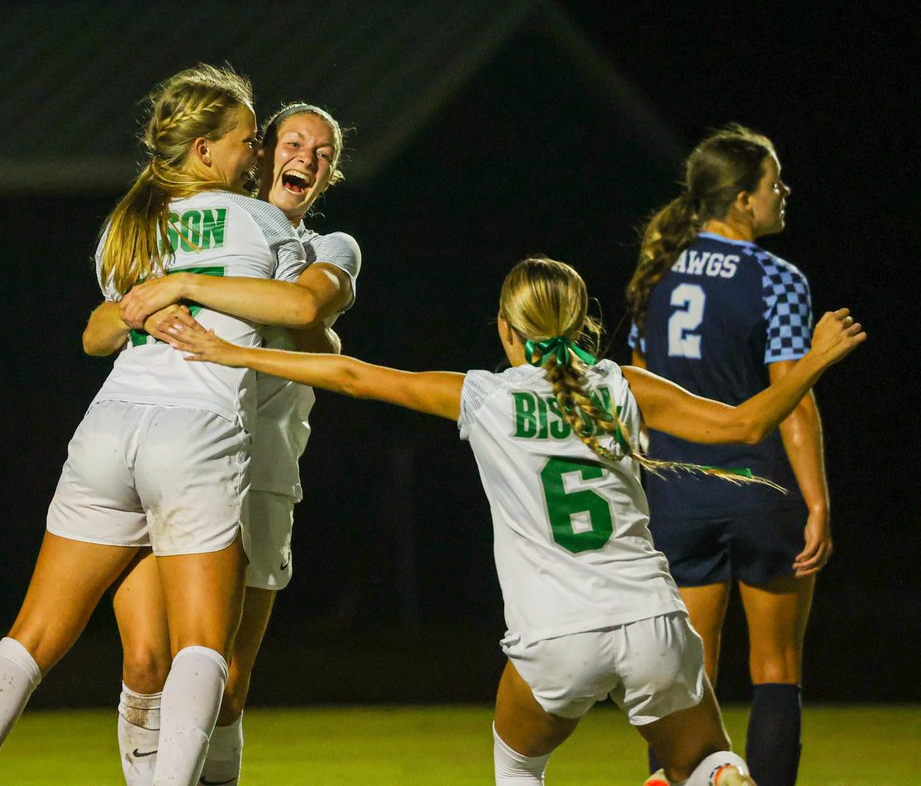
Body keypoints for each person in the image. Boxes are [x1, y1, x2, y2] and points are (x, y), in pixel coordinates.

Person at [157, 256, 864, 785]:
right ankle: (723, 776)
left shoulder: (486, 397)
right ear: (580, 321)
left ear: (505, 327)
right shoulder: (623, 385)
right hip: (653, 620)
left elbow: (354, 376)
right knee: (704, 760)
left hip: (556, 635)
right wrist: (816, 359)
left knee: (518, 766)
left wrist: (230, 350)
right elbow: (745, 425)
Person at [0, 64, 326, 786]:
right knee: (201, 647)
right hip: (196, 430)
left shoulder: (129, 222)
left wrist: (157, 294)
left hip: (109, 428)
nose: (258, 153)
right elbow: (303, 313)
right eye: (248, 140)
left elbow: (96, 334)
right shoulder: (262, 220)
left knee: (33, 635)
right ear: (205, 150)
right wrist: (196, 288)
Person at [95, 103, 359, 786]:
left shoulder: (329, 248)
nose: (307, 159)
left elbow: (311, 322)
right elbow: (100, 326)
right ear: (259, 152)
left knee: (229, 684)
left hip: (264, 467)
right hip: (178, 453)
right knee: (146, 663)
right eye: (294, 142)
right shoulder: (195, 232)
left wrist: (231, 299)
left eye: (324, 153)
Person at [626, 126, 822, 786]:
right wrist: (818, 504)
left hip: (677, 491)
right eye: (774, 182)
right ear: (742, 200)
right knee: (776, 667)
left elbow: (640, 390)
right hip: (758, 486)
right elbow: (792, 398)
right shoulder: (776, 277)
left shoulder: (655, 273)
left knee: (688, 675)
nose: (783, 192)